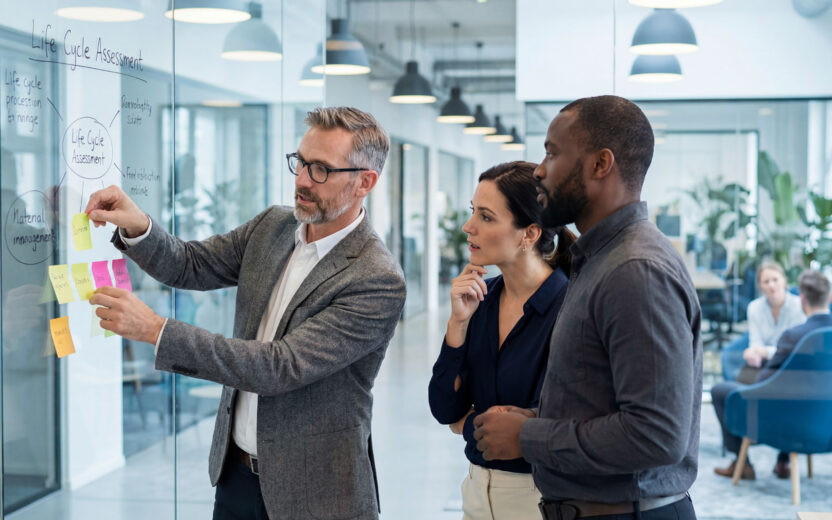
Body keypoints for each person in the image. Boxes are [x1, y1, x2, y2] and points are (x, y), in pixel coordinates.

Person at [84, 107, 406, 520]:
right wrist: (138, 226)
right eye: (301, 161)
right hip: (235, 477)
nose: (302, 180)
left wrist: (157, 331)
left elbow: (279, 367)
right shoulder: (272, 226)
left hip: (316, 495)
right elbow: (190, 264)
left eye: (321, 170)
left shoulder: (375, 277)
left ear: (365, 182)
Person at [472, 95, 702, 520]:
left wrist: (530, 436)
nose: (539, 169)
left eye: (552, 153)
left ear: (600, 164)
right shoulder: (600, 260)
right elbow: (604, 400)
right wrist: (539, 418)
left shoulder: (635, 270)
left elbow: (656, 434)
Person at [428, 161, 574, 520]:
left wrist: (468, 423)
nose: (468, 226)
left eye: (486, 216)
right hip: (476, 492)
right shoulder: (480, 299)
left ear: (529, 234)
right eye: (472, 211)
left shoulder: (570, 308)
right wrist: (457, 324)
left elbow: (547, 426)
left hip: (541, 498)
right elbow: (445, 410)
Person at [712, 269, 832, 481]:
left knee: (722, 390)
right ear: (829, 297)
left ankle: (743, 462)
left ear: (802, 300)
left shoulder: (794, 336)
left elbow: (762, 381)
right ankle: (780, 460)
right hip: (824, 419)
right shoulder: (769, 316)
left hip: (791, 414)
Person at [720, 260, 805, 382]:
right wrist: (754, 354)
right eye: (766, 281)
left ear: (784, 281)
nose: (771, 285)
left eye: (775, 280)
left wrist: (764, 351)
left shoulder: (798, 306)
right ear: (760, 286)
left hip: (789, 364)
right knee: (736, 379)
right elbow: (756, 343)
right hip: (764, 363)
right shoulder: (754, 307)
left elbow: (792, 349)